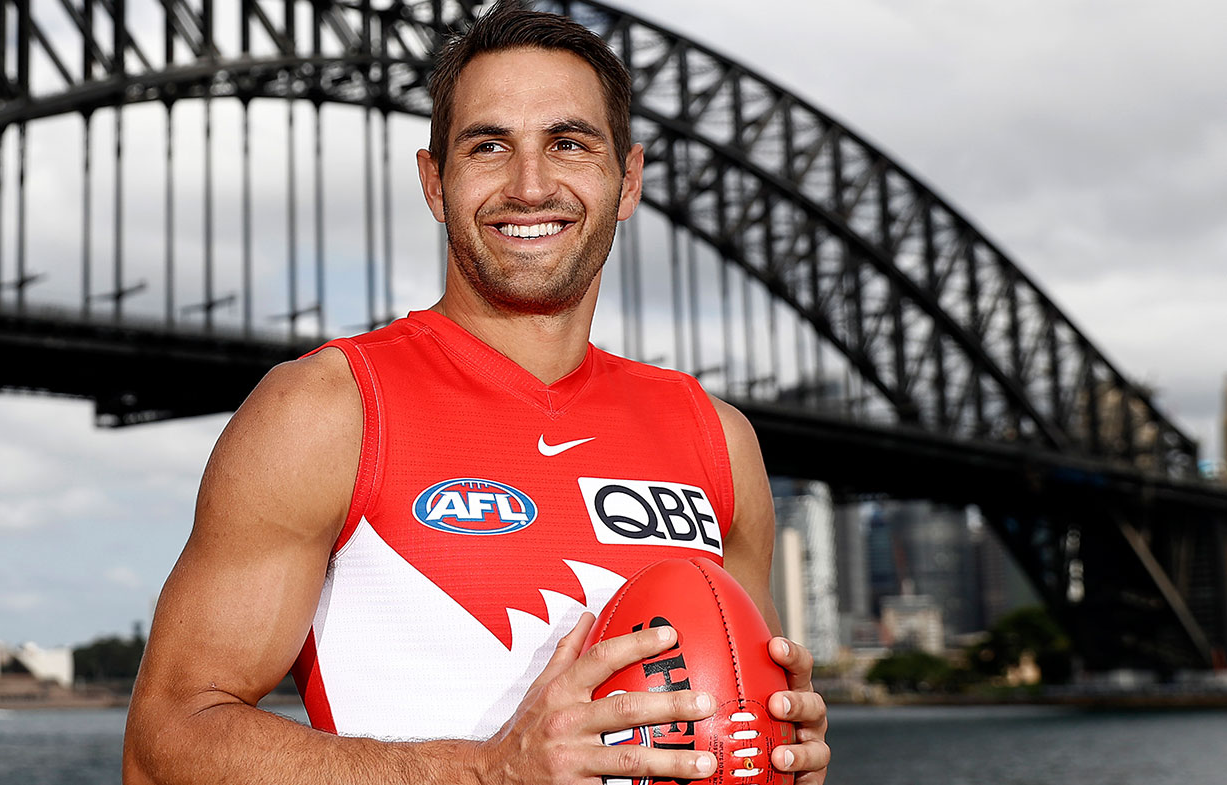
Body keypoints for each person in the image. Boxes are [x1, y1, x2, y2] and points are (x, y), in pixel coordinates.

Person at [123, 4, 830, 783]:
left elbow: (741, 713)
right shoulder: (330, 410)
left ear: (628, 181)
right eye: (489, 146)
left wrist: (781, 758)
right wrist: (488, 771)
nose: (530, 186)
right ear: (435, 181)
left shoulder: (716, 438)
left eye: (568, 143)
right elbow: (164, 746)